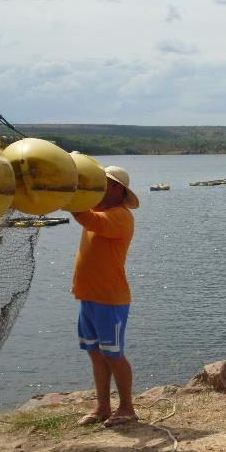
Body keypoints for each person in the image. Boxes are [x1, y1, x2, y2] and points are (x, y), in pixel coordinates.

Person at [72, 165, 139, 427]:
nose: (97, 188)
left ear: (116, 188)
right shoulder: (99, 211)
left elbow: (87, 219)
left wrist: (70, 197)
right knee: (95, 352)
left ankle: (127, 408)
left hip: (111, 299)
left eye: (103, 183)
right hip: (89, 297)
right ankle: (102, 406)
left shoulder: (120, 216)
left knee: (112, 353)